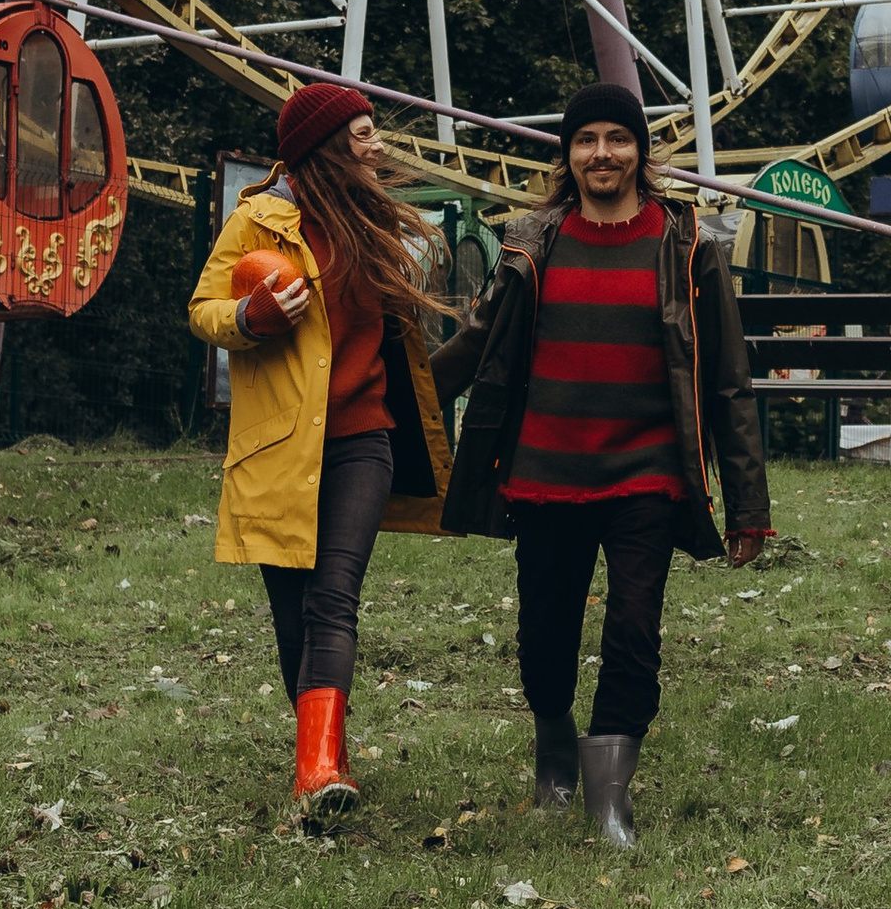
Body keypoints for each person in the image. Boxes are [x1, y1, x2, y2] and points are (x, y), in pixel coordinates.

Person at [432, 82, 770, 847]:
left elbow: (728, 382)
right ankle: (555, 746)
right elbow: (474, 346)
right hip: (544, 473)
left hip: (646, 474)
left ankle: (610, 799)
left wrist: (749, 502)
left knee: (633, 632)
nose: (602, 154)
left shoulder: (686, 248)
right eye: (587, 140)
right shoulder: (533, 244)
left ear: (640, 153)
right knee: (543, 635)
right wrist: (392, 397)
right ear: (568, 153)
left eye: (618, 139)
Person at [189, 82, 452, 823]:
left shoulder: (377, 223)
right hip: (278, 446)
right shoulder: (258, 221)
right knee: (293, 614)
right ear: (324, 144)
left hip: (363, 441)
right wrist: (253, 315)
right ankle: (321, 751)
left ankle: (318, 774)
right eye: (362, 132)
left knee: (335, 597)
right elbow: (204, 311)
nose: (375, 143)